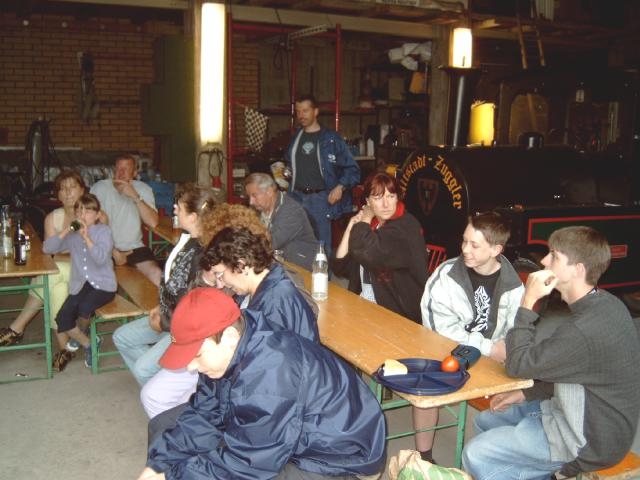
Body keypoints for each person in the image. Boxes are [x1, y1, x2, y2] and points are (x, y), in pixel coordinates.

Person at [137, 287, 386, 480]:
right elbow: (204, 414)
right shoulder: (231, 343)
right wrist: (159, 464)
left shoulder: (268, 376)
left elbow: (248, 463)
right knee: (163, 425)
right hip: (294, 432)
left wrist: (173, 476)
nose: (191, 366)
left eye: (197, 355)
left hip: (340, 457)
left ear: (230, 337)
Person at [462, 226, 640, 479]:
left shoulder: (583, 329)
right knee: (486, 421)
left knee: (477, 454)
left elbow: (517, 364)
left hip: (589, 441)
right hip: (581, 414)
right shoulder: (604, 303)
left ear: (578, 269)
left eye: (554, 256)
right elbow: (576, 369)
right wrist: (528, 393)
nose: (544, 261)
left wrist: (527, 303)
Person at [140, 225, 319, 419]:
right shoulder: (255, 292)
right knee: (180, 413)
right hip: (251, 388)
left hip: (280, 403)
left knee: (181, 415)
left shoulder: (276, 303)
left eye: (220, 274)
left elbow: (271, 381)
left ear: (241, 265)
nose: (220, 283)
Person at [413, 211, 524, 463]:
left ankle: (504, 458)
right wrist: (489, 347)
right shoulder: (446, 274)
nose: (465, 249)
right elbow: (437, 329)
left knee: (522, 388)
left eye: (474, 245)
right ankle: (424, 458)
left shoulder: (514, 285)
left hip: (493, 357)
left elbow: (519, 328)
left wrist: (507, 348)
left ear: (496, 249)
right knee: (426, 388)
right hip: (448, 350)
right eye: (464, 241)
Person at [113, 183, 216, 386]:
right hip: (168, 314)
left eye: (179, 207)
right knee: (122, 337)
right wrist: (160, 306)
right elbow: (172, 285)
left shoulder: (203, 252)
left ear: (193, 217)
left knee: (143, 369)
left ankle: (166, 391)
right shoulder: (187, 240)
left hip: (183, 326)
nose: (174, 210)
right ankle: (163, 385)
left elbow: (191, 302)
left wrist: (163, 321)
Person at [0, 170, 86, 349]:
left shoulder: (93, 214)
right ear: (58, 195)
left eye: (72, 187)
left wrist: (62, 253)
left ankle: (16, 328)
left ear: (82, 190)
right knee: (55, 286)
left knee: (51, 274)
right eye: (62, 189)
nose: (68, 192)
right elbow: (50, 252)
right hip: (64, 271)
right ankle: (65, 347)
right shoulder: (52, 218)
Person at [331, 172, 427, 323]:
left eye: (391, 196)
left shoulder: (405, 228)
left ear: (397, 198)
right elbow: (340, 267)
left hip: (399, 317)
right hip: (365, 307)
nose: (386, 204)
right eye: (378, 198)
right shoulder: (372, 227)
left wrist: (365, 219)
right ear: (368, 201)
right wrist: (351, 226)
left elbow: (369, 252)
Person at [43, 193, 117, 370]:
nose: (82, 215)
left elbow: (100, 258)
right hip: (81, 285)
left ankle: (82, 336)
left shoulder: (104, 232)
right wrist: (66, 231)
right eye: (79, 211)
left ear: (97, 215)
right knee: (62, 319)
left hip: (104, 285)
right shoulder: (72, 235)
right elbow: (47, 248)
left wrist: (86, 238)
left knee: (85, 307)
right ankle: (89, 343)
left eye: (88, 211)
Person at [286, 94, 360, 256]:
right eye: (298, 111)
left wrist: (340, 187)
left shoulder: (331, 139)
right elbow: (290, 166)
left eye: (305, 111)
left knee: (321, 248)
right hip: (296, 197)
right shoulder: (296, 137)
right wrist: (285, 173)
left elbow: (353, 169)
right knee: (297, 245)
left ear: (316, 112)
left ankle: (324, 273)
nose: (301, 115)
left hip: (319, 200)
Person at [90, 153, 162, 286]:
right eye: (118, 169)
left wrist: (135, 196)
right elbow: (90, 225)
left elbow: (152, 222)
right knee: (103, 279)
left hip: (134, 248)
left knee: (156, 274)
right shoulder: (99, 188)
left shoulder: (143, 189)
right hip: (105, 248)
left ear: (134, 173)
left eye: (126, 169)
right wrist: (113, 252)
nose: (121, 173)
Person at [244, 172, 318, 271]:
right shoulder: (258, 209)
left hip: (299, 266)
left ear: (269, 191)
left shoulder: (292, 211)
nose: (251, 202)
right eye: (249, 197)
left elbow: (270, 244)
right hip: (277, 262)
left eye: (254, 195)